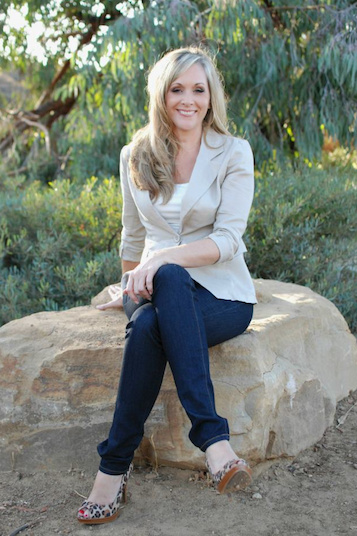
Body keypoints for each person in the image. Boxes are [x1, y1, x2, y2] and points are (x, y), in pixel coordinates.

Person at [77, 46, 256, 525]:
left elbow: (226, 241)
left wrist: (158, 263)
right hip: (151, 290)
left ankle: (111, 472)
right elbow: (132, 235)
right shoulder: (135, 153)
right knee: (156, 301)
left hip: (221, 293)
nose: (188, 100)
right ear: (162, 95)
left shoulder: (233, 152)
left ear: (211, 96)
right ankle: (215, 445)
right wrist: (128, 283)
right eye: (178, 89)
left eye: (199, 89)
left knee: (155, 316)